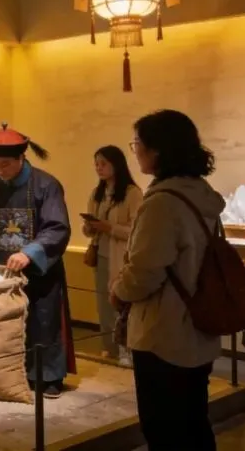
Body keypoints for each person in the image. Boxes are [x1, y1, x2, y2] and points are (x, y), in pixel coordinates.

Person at [110, 109, 223, 451]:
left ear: (156, 150)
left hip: (163, 333)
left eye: (137, 144)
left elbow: (145, 271)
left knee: (164, 430)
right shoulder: (199, 193)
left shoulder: (162, 203)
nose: (135, 151)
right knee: (194, 423)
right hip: (197, 326)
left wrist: (119, 291)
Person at [0, 123, 76, 399]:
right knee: (5, 324)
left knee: (43, 322)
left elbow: (57, 227)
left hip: (41, 272)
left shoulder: (46, 185)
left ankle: (48, 377)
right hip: (3, 273)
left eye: (5, 164)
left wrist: (29, 253)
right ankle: (7, 374)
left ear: (21, 157)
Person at [82, 145, 142, 365]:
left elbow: (137, 230)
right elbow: (88, 231)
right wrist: (90, 226)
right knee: (103, 305)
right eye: (96, 164)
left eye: (103, 164)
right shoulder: (97, 193)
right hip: (101, 254)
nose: (99, 168)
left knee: (121, 303)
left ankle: (126, 349)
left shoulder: (132, 193)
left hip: (121, 256)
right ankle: (108, 346)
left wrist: (110, 227)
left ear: (116, 164)